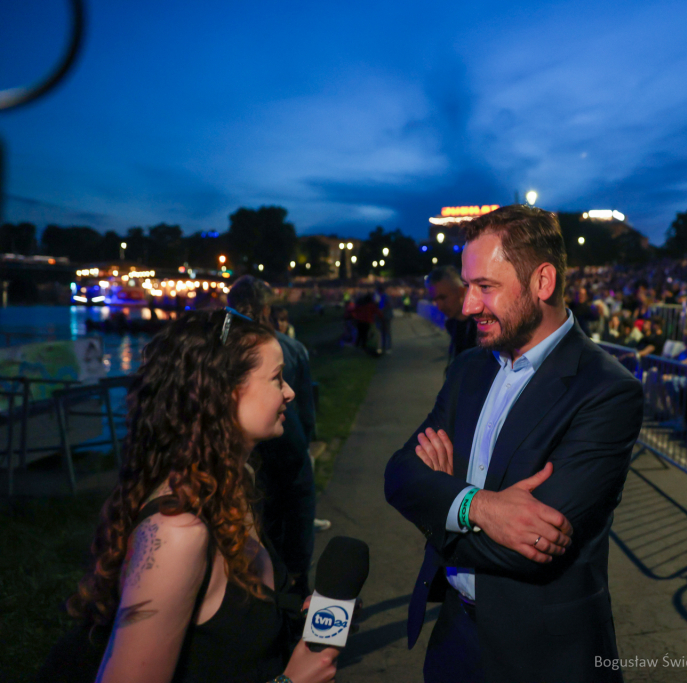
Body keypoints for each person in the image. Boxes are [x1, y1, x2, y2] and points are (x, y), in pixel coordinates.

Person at [384, 205, 643, 683]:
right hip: (454, 639)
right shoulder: (470, 368)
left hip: (544, 656)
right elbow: (400, 474)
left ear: (542, 282)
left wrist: (437, 503)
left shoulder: (607, 390)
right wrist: (476, 507)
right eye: (467, 287)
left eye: (485, 287)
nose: (467, 306)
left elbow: (532, 545)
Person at [56, 310, 337, 683]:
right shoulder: (177, 532)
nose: (290, 391)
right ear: (221, 394)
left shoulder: (233, 486)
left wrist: (287, 613)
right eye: (275, 378)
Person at [229, 277, 318, 596]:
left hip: (256, 460)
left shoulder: (220, 345)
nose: (287, 393)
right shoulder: (285, 347)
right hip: (287, 453)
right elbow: (305, 410)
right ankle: (293, 584)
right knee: (293, 521)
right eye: (275, 379)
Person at [426, 266, 477, 371]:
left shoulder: (482, 328)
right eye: (435, 299)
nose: (439, 306)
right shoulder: (452, 325)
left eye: (443, 298)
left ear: (461, 292)